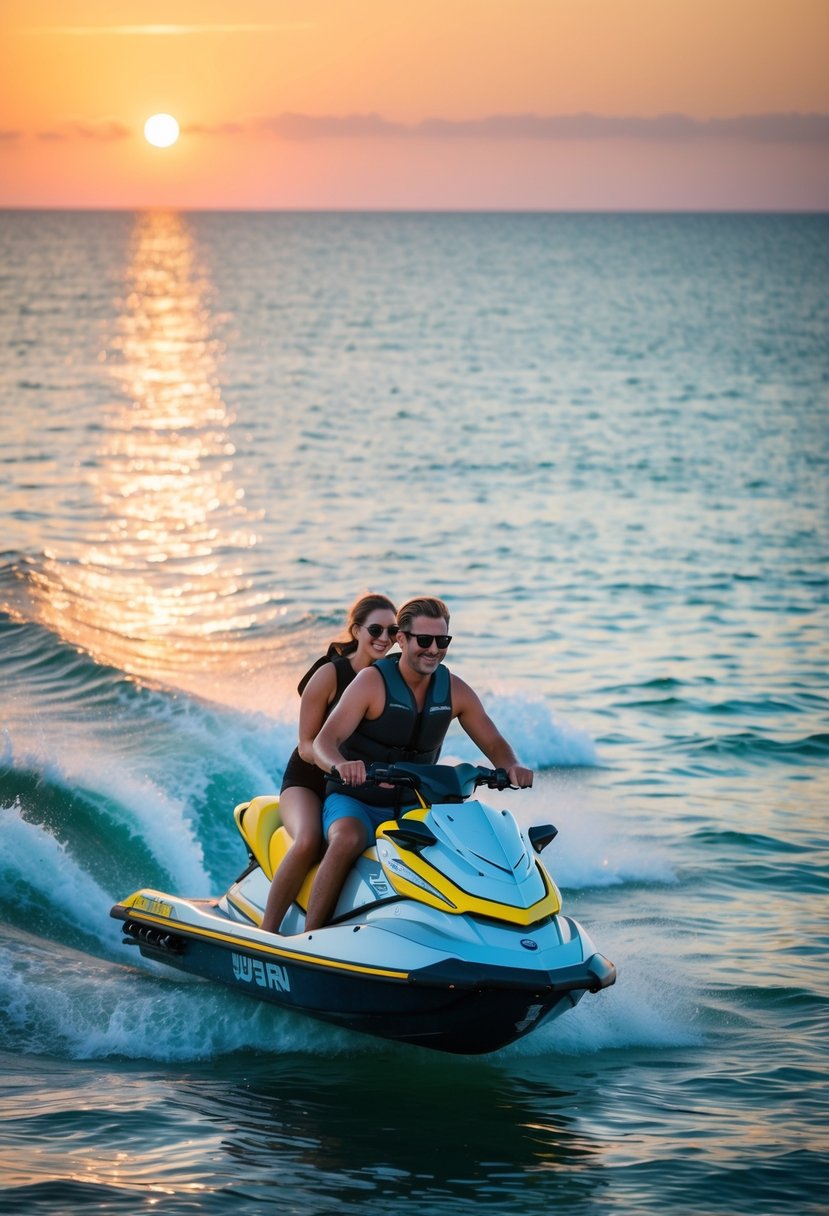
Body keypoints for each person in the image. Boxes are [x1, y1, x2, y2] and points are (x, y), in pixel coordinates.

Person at [305, 595, 533, 931]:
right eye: (423, 640)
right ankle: (309, 935)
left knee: (467, 848)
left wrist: (511, 765)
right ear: (401, 639)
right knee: (348, 839)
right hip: (358, 801)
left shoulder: (454, 689)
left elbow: (494, 742)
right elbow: (325, 741)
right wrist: (341, 765)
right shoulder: (372, 682)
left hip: (419, 806)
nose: (433, 649)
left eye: (442, 641)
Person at [260, 592, 398, 934]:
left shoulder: (393, 676)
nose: (384, 639)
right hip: (309, 781)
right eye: (375, 630)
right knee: (308, 841)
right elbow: (307, 746)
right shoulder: (331, 674)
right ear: (356, 630)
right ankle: (268, 931)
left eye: (393, 631)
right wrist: (339, 767)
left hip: (356, 788)